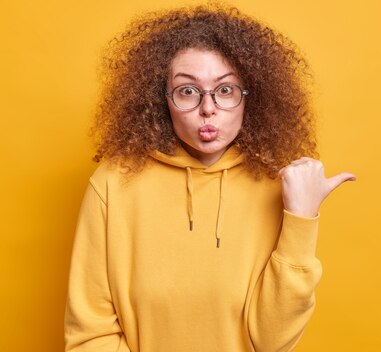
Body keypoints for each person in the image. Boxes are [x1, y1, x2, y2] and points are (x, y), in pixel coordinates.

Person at [64, 4, 355, 352]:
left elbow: (273, 342)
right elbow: (90, 334)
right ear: (161, 100)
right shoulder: (113, 182)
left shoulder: (280, 184)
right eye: (188, 91)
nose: (208, 108)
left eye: (226, 90)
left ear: (251, 96)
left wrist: (302, 218)